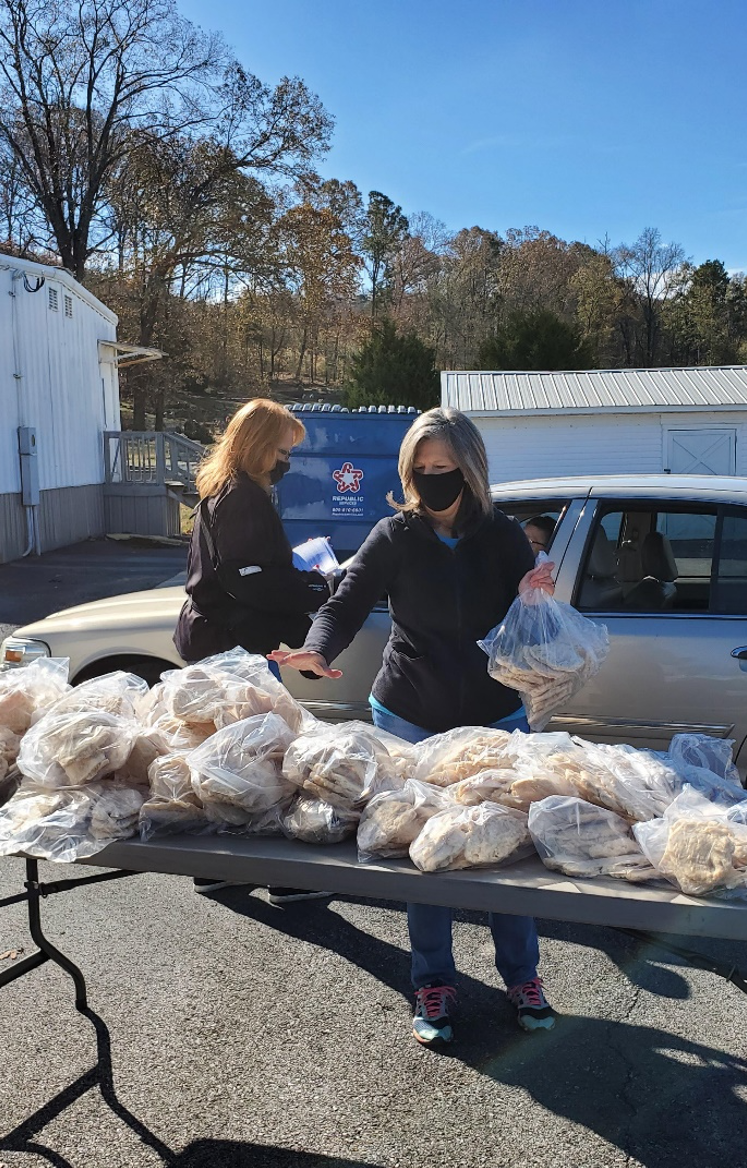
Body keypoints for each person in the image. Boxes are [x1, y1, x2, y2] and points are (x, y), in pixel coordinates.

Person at [272, 407, 557, 1046]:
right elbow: (346, 600)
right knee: (423, 851)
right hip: (410, 712)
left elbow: (529, 618)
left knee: (504, 846)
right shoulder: (395, 534)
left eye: (445, 470)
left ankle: (523, 976)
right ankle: (433, 979)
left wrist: (539, 593)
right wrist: (318, 648)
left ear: (471, 469)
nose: (432, 482)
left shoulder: (504, 535)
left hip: (495, 714)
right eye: (421, 470)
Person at [175, 398, 333, 906]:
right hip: (237, 648)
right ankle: (284, 874)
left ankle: (215, 866)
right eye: (283, 450)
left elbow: (239, 574)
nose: (287, 461)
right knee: (264, 761)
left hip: (218, 642)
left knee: (225, 761)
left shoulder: (220, 491)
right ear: (260, 446)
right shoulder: (243, 497)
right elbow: (249, 581)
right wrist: (315, 588)